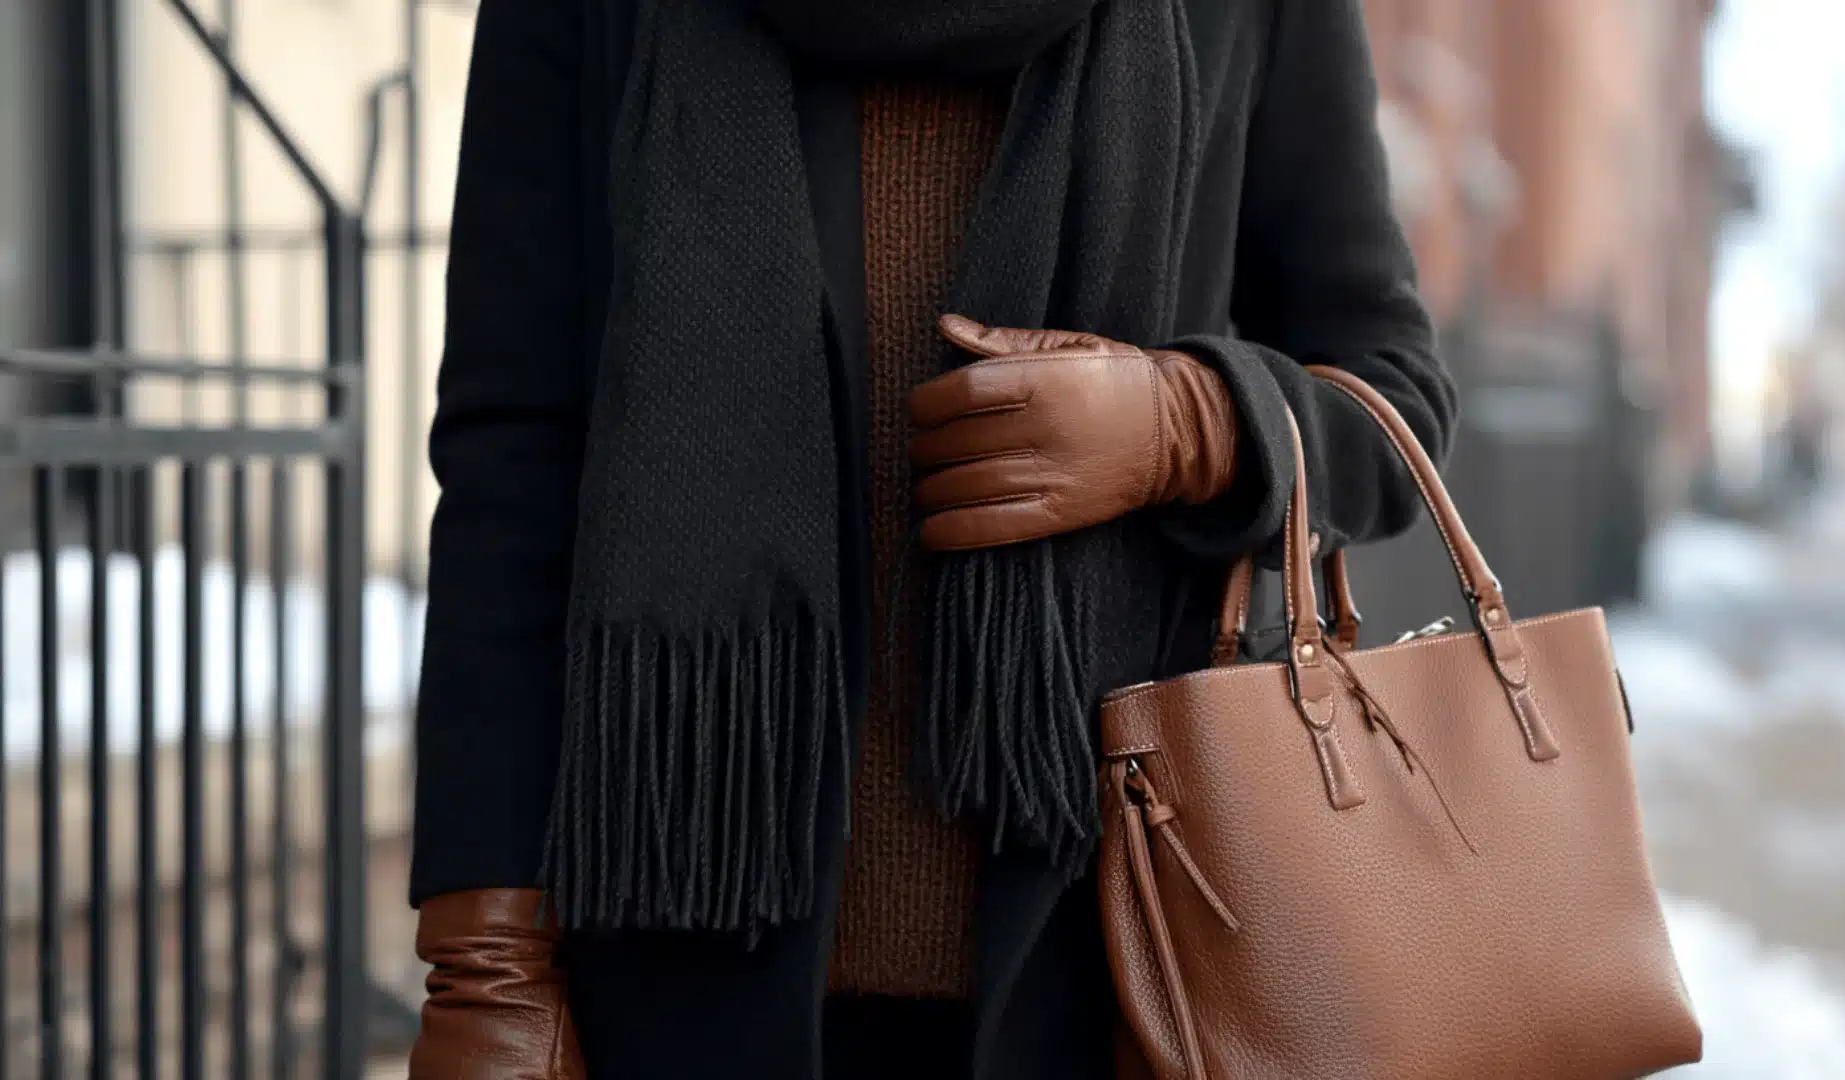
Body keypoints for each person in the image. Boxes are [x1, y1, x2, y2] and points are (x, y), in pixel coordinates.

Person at [406, 1, 1456, 1077]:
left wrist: (1181, 422)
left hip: (1115, 963)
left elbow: (1392, 399)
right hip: (674, 960)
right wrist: (485, 968)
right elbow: (513, 463)